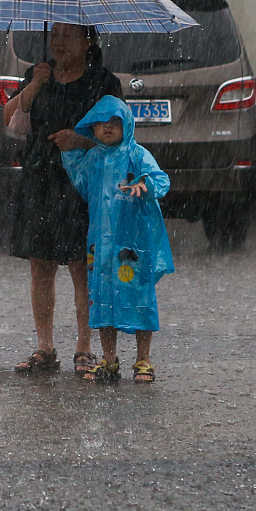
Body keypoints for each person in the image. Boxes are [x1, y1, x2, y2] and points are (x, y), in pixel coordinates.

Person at [2, 23, 122, 375]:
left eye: (67, 35)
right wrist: (35, 86)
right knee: (40, 266)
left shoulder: (104, 83)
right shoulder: (36, 75)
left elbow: (120, 136)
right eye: (53, 34)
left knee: (82, 267)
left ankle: (84, 349)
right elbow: (8, 121)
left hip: (84, 183)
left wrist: (81, 141)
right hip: (40, 178)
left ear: (89, 41)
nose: (57, 41)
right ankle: (45, 347)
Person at [61, 95, 174, 384]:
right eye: (101, 124)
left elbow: (160, 180)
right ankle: (109, 360)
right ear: (93, 128)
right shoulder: (95, 159)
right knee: (102, 299)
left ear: (127, 125)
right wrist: (71, 148)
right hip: (101, 244)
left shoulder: (137, 155)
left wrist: (143, 185)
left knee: (138, 296)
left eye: (115, 122)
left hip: (131, 243)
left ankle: (143, 360)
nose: (109, 128)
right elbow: (81, 180)